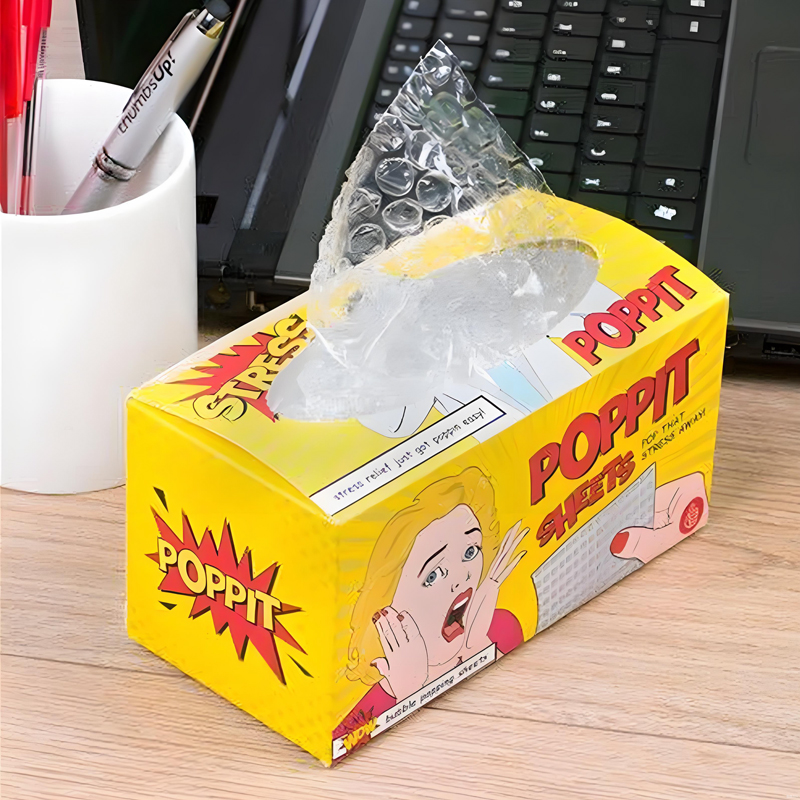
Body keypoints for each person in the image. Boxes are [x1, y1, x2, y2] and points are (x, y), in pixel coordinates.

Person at [335, 467, 528, 739]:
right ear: (387, 604)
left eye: (470, 551)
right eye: (433, 575)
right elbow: (341, 744)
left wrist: (478, 648)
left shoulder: (500, 626)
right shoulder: (363, 714)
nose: (463, 577)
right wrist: (409, 695)